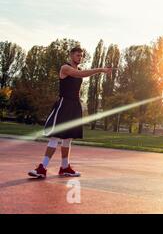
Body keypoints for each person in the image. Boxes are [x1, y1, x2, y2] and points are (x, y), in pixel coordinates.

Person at [28, 46, 112, 178]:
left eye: (82, 55)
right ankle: (42, 168)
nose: (80, 57)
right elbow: (79, 74)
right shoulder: (65, 68)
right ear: (71, 55)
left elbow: (80, 73)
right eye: (78, 55)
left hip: (75, 105)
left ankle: (65, 167)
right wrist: (101, 69)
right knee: (55, 136)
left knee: (68, 138)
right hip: (64, 104)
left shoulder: (77, 69)